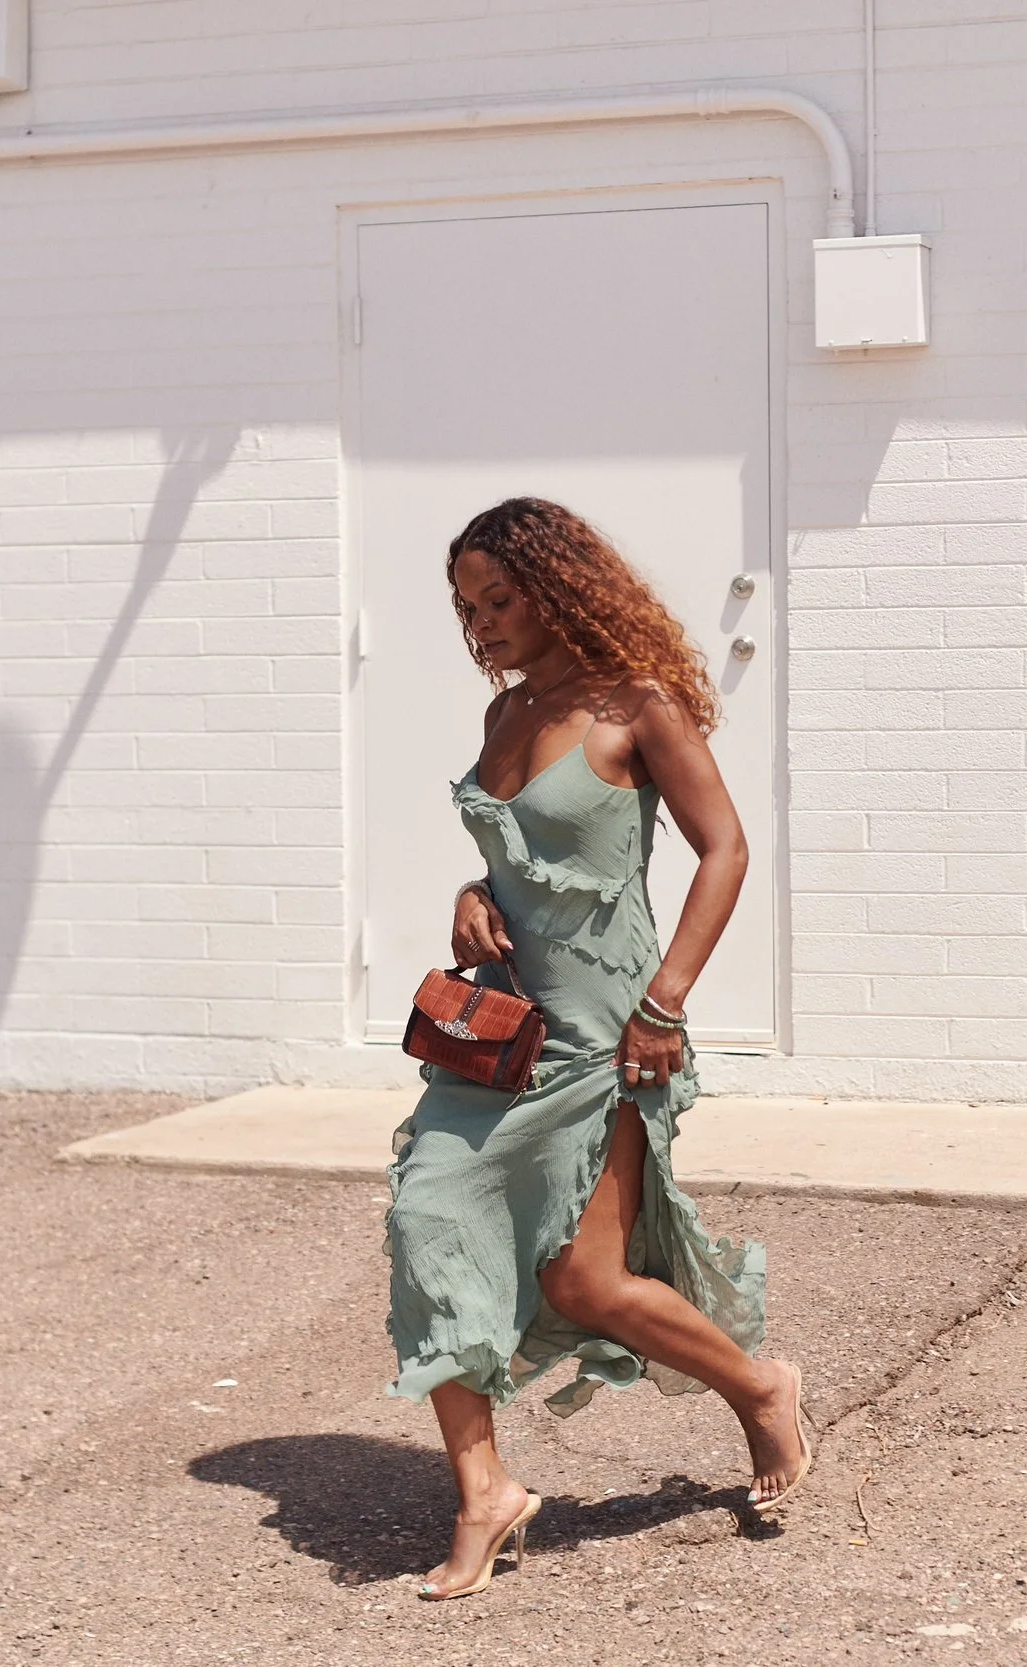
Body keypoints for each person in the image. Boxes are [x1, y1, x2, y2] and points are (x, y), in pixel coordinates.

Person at [382, 497, 812, 1601]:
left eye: (499, 598)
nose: (480, 624)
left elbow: (725, 849)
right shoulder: (506, 716)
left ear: (560, 586)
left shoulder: (637, 706)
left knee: (586, 1276)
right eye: (466, 606)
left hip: (609, 1036)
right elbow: (513, 862)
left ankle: (761, 1387)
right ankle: (485, 1493)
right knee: (429, 1214)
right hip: (503, 1036)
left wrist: (665, 1000)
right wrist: (474, 897)